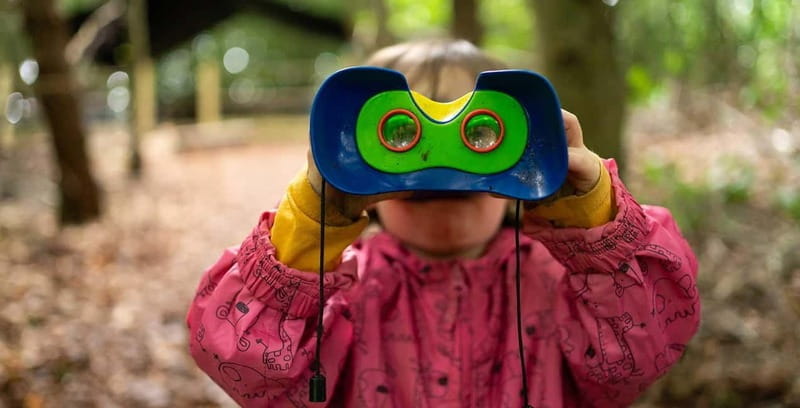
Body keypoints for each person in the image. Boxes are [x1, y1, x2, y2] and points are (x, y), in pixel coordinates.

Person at [186, 39, 700, 408]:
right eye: (399, 136)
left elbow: (647, 348)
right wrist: (311, 226)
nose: (441, 170)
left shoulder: (563, 286)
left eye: (480, 134)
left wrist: (590, 216)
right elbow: (245, 368)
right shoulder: (334, 296)